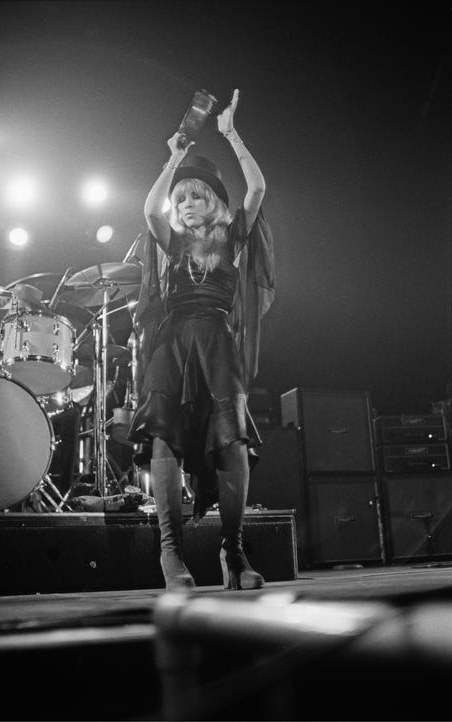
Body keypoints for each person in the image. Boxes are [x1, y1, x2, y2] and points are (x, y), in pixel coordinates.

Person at [127, 88, 275, 591]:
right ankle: (172, 558)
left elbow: (256, 189)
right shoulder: (169, 241)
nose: (187, 203)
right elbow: (150, 211)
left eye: (197, 195)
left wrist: (231, 134)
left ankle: (233, 555)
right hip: (172, 346)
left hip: (217, 345)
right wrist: (173, 161)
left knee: (232, 444)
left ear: (213, 201)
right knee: (164, 438)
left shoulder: (232, 238)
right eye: (182, 198)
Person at [0, 283, 81, 501]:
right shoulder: (3, 326)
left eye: (17, 302)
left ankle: (59, 488)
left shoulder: (45, 326)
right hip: (11, 390)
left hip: (42, 396)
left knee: (73, 415)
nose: (13, 307)